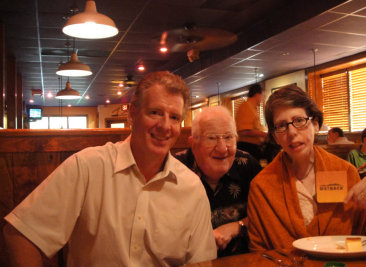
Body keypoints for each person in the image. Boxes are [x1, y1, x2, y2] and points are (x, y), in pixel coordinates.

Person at [3, 71, 217, 266]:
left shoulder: (191, 187)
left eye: (174, 117)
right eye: (155, 112)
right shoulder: (87, 167)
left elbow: (202, 262)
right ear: (132, 115)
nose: (165, 126)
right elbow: (21, 234)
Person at [247, 85, 366, 251]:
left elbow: (365, 239)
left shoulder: (346, 172)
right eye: (281, 125)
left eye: (299, 120)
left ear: (315, 124)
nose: (292, 132)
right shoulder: (262, 187)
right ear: (275, 137)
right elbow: (258, 254)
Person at [175, 106, 261, 257]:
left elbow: (267, 215)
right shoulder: (175, 170)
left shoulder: (248, 165)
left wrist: (236, 226)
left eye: (228, 137)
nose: (222, 149)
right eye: (212, 138)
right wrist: (199, 238)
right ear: (193, 143)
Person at [235, 83, 268, 161]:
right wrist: (264, 134)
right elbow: (244, 131)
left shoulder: (252, 107)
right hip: (248, 147)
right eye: (263, 96)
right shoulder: (246, 106)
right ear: (257, 94)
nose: (263, 99)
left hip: (252, 147)